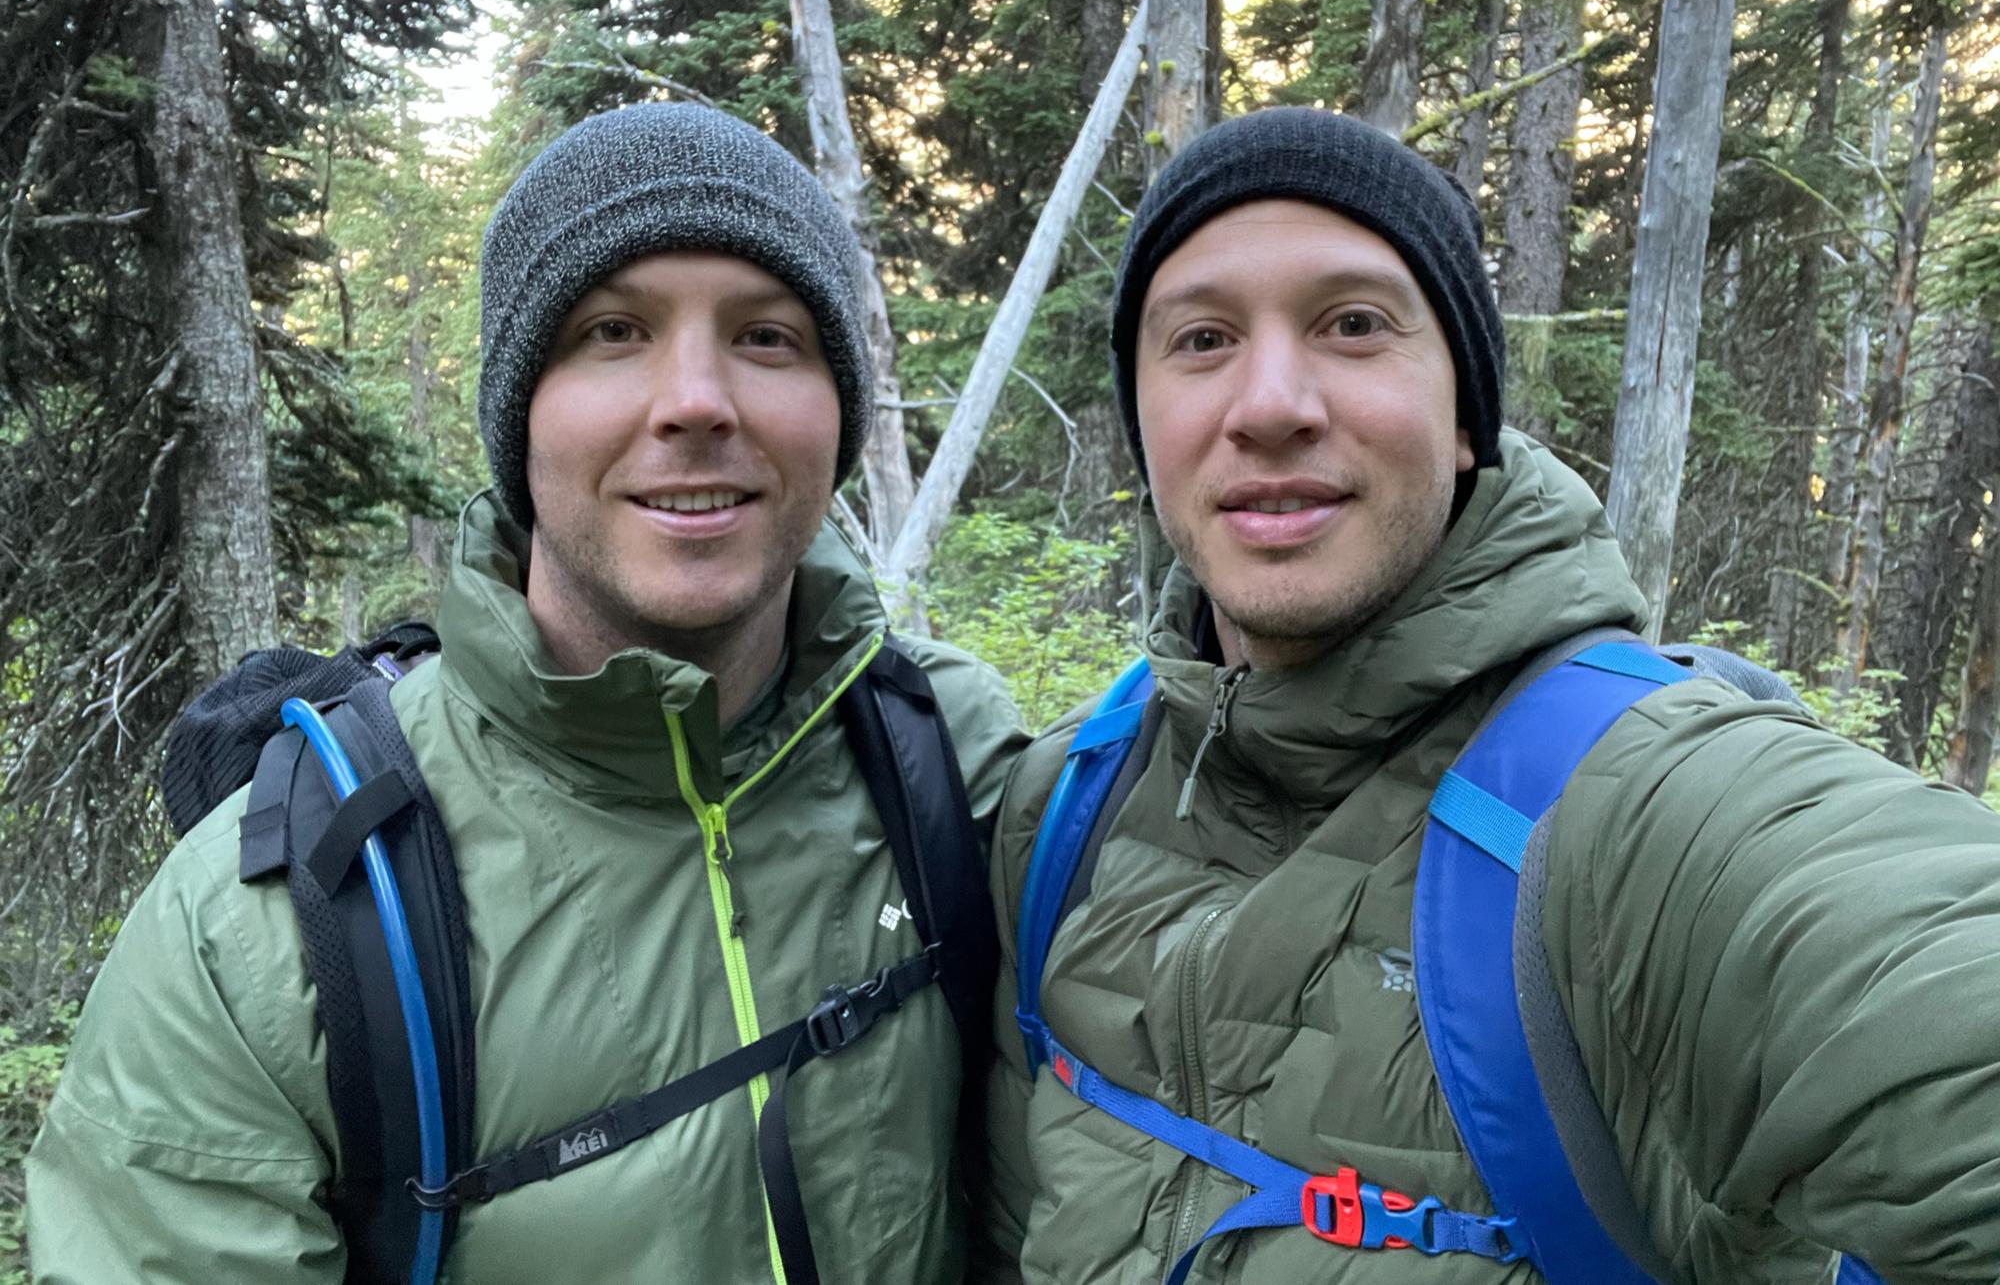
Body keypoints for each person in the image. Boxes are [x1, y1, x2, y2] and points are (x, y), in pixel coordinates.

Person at [977, 107, 2000, 1284]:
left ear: (1465, 415)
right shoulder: (1063, 806)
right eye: (1199, 338)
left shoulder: (1638, 815)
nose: (1266, 403)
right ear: (1142, 422)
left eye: (1352, 324)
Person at [28, 102, 1025, 1285]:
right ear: (518, 415)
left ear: (838, 411)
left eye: (767, 337)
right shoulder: (275, 922)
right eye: (614, 330)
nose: (697, 400)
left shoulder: (949, 760)